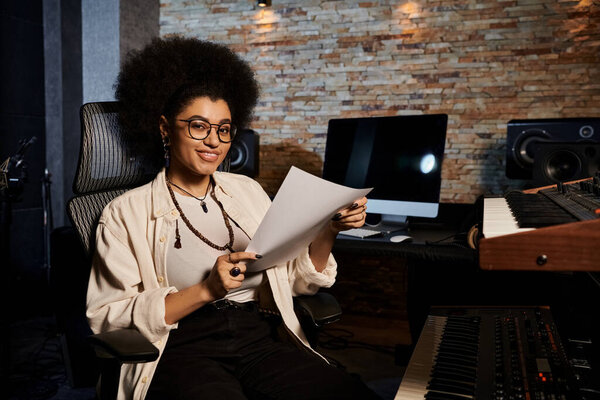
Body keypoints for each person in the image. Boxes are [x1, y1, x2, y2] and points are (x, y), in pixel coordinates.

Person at [86, 36, 378, 400]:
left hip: (259, 334)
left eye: (223, 129)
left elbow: (298, 283)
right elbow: (107, 316)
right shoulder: (125, 213)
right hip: (183, 345)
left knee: (350, 394)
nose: (213, 141)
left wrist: (329, 229)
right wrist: (207, 290)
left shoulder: (246, 191)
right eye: (198, 125)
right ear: (164, 128)